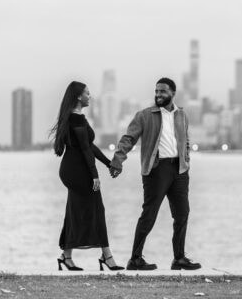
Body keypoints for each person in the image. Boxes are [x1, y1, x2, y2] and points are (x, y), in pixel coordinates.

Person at [109, 77, 201, 271]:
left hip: (180, 171)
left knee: (182, 214)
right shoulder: (144, 115)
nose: (158, 94)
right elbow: (128, 138)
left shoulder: (182, 115)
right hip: (156, 170)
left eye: (163, 91)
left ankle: (179, 258)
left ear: (173, 93)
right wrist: (118, 160)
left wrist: (186, 161)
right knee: (149, 214)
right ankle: (135, 259)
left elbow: (185, 141)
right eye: (157, 91)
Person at [51, 81, 124, 271]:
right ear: (78, 96)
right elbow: (84, 148)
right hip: (77, 171)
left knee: (75, 210)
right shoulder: (76, 119)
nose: (90, 96)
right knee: (97, 209)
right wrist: (95, 175)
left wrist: (110, 164)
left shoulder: (74, 118)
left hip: (72, 169)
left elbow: (89, 146)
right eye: (87, 93)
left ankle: (66, 256)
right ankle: (107, 256)